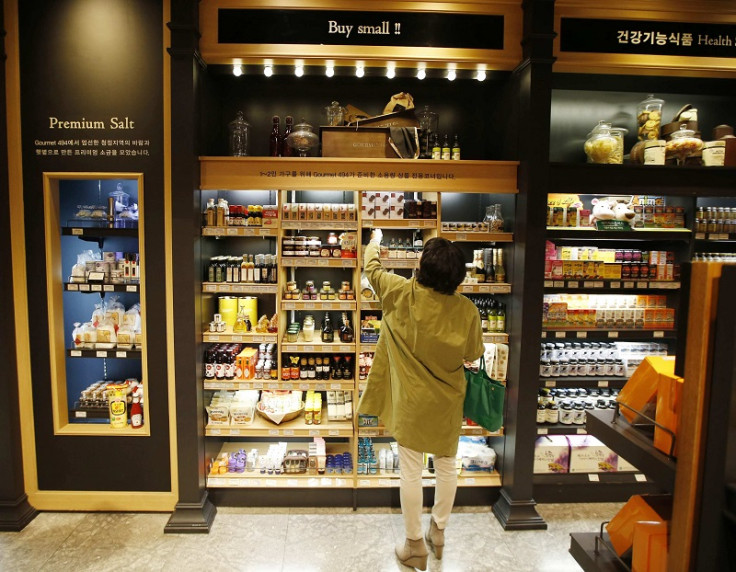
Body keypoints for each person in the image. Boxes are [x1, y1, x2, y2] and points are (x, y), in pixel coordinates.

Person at [357, 229, 485, 570]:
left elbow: (371, 268)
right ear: (458, 277)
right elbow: (473, 353)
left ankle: (414, 544)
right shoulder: (468, 311)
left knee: (410, 471)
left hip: (411, 402)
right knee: (446, 465)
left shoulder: (399, 292)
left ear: (421, 268)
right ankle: (438, 530)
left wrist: (374, 240)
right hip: (447, 401)